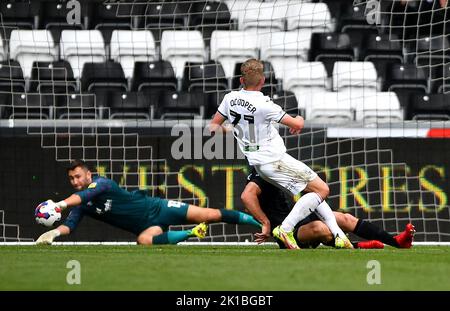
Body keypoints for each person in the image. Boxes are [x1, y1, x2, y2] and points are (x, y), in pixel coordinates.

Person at [209, 58, 351, 249]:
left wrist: (234, 130)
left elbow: (212, 127)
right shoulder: (265, 105)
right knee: (322, 189)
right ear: (263, 81)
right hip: (275, 160)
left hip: (260, 165)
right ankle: (286, 228)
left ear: (242, 80)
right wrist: (299, 117)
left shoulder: (229, 99)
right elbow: (297, 124)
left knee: (312, 191)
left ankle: (339, 235)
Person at [35, 159, 261, 245]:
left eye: (78, 176)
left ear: (89, 175)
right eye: (71, 178)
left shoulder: (102, 184)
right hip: (147, 226)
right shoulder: (79, 203)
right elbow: (71, 224)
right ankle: (193, 233)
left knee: (211, 214)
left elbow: (82, 197)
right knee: (144, 240)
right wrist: (54, 233)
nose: (75, 181)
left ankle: (261, 225)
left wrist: (59, 205)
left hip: (159, 208)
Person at [242, 168, 416, 249]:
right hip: (285, 231)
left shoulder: (281, 167)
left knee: (344, 218)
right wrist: (265, 222)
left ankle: (397, 242)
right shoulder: (262, 173)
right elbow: (246, 196)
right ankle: (358, 246)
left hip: (298, 219)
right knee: (322, 229)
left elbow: (314, 196)